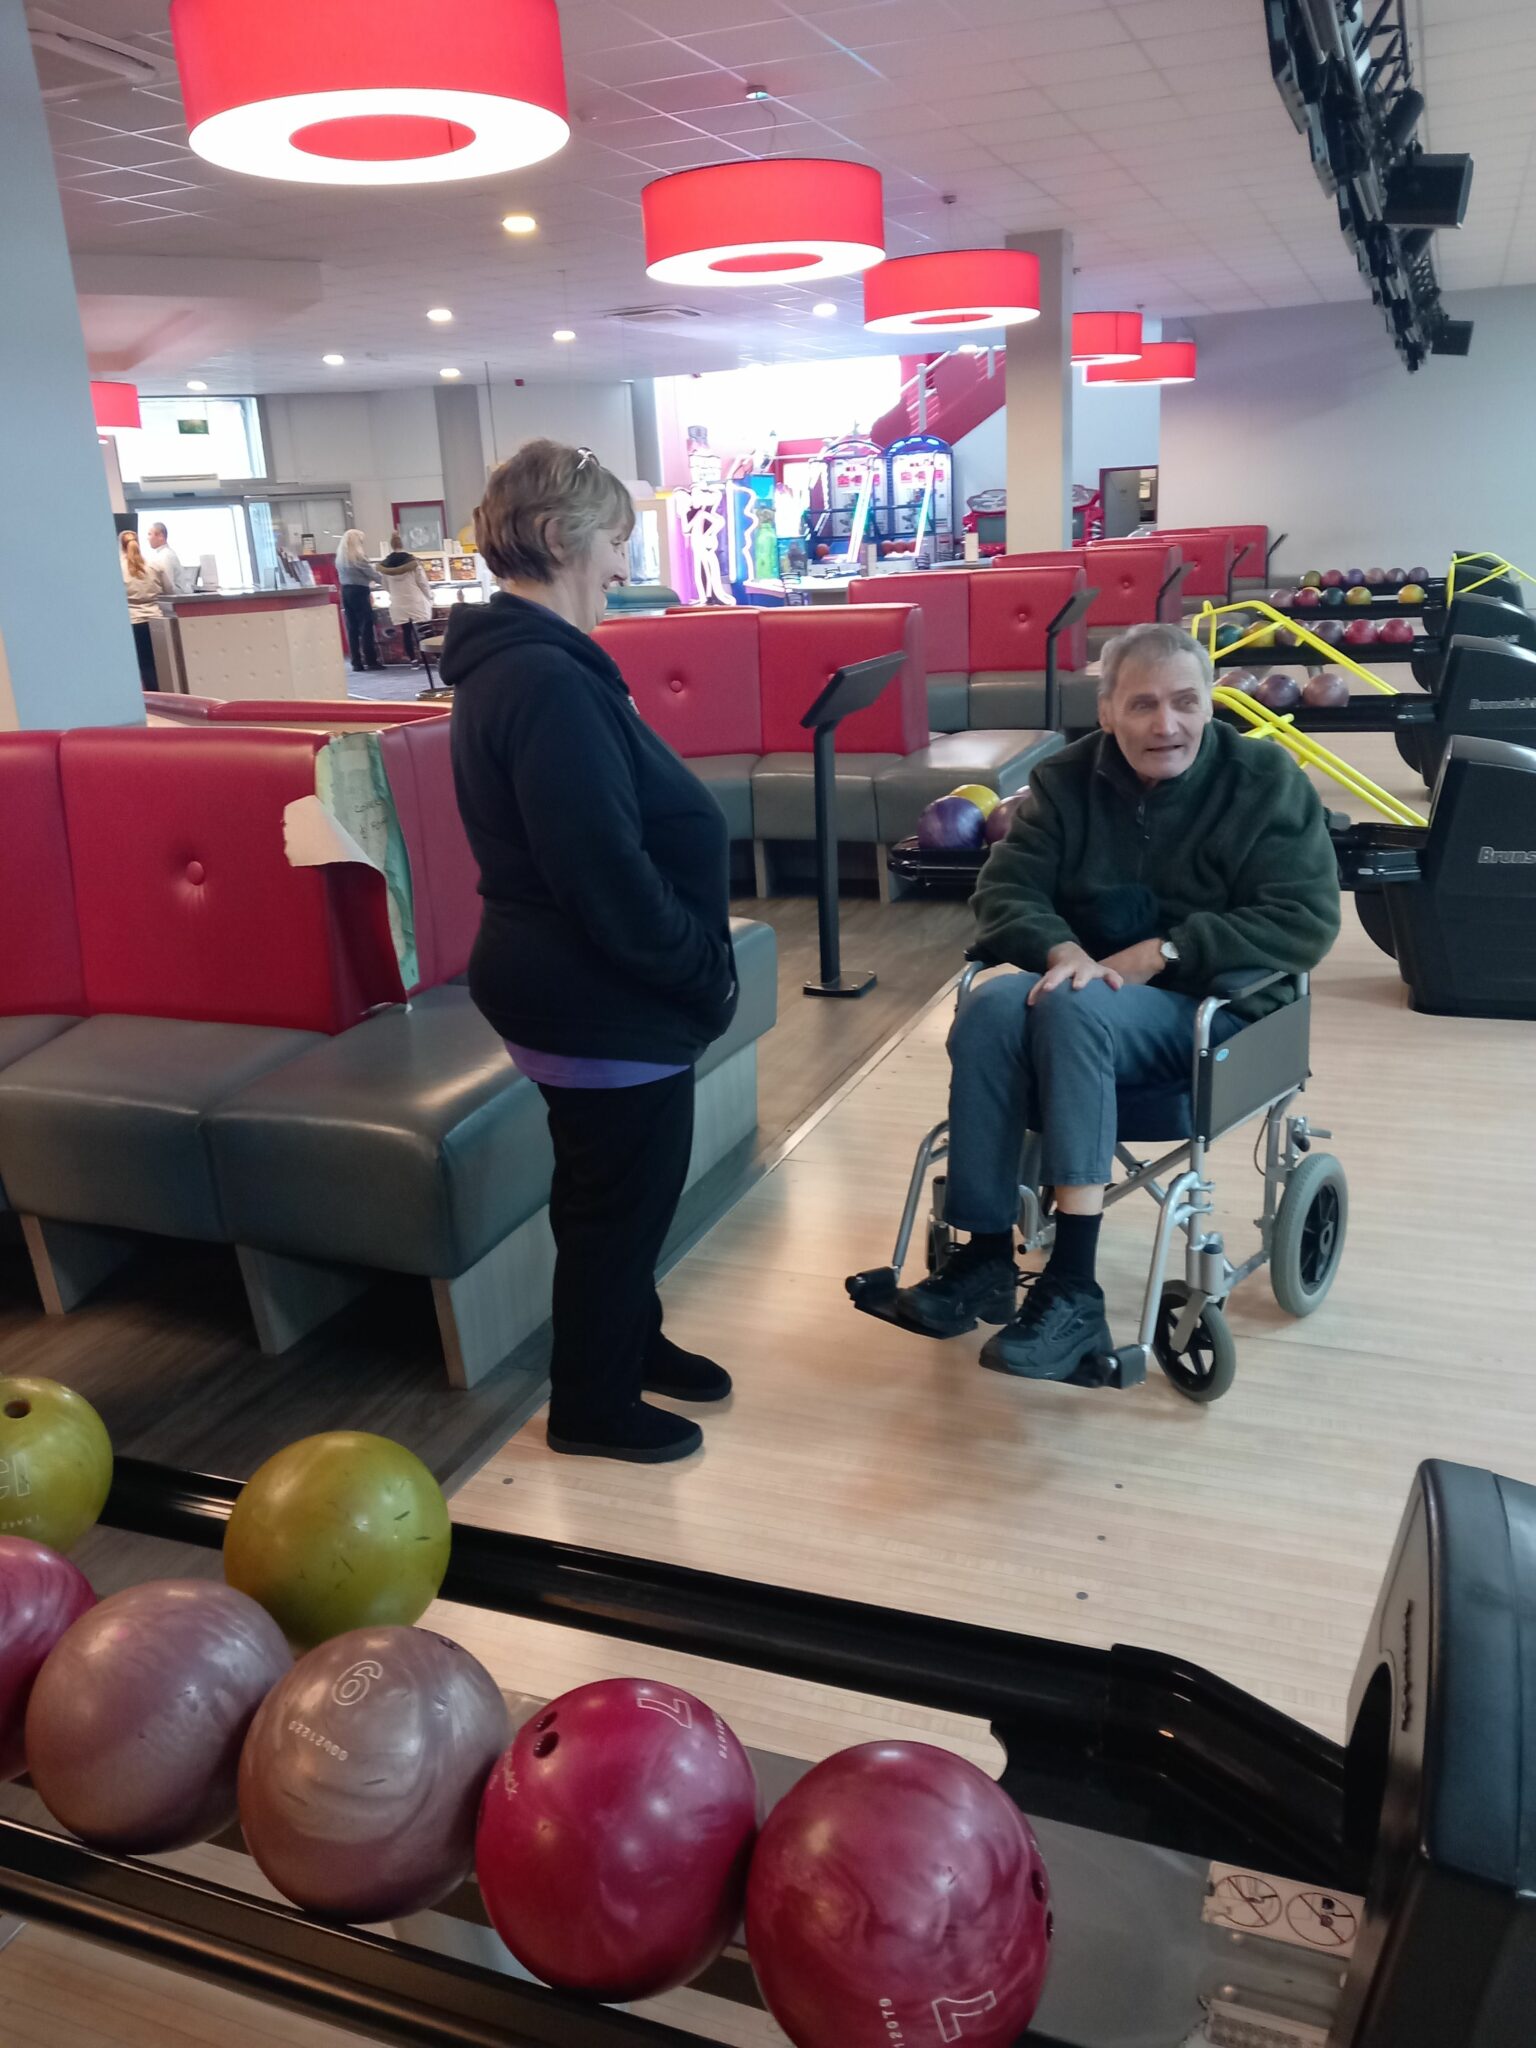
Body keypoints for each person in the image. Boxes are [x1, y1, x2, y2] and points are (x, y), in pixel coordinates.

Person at [895, 622, 1341, 1382]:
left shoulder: (1262, 780)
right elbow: (1004, 888)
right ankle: (985, 1256)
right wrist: (1059, 950)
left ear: (1210, 704)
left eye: (1185, 702)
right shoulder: (1065, 782)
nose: (1166, 724)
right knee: (993, 1005)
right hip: (1085, 996)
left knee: (1071, 1009)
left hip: (1211, 1011)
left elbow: (1306, 919)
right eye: (1142, 705)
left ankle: (1074, 1284)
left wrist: (1165, 952)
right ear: (1105, 711)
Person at [443, 441, 738, 1465]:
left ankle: (629, 1341)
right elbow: (601, 873)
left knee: (608, 1194)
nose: (625, 560)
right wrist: (703, 975)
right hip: (599, 992)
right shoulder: (542, 678)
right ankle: (593, 1404)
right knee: (621, 1203)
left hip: (575, 981)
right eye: (616, 537)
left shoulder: (531, 663)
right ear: (558, 536)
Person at [120, 528, 172, 689]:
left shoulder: (117, 569)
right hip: (156, 620)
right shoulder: (155, 565)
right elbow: (170, 590)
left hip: (133, 621)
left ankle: (152, 698)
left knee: (144, 666)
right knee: (161, 665)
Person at [377, 532, 435, 661]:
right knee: (425, 630)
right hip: (416, 601)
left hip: (398, 603)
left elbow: (385, 586)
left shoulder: (385, 566)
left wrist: (395, 594)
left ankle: (413, 660)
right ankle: (437, 657)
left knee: (407, 633)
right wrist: (429, 597)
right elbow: (423, 583)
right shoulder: (413, 563)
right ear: (403, 544)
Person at [335, 529, 383, 673]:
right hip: (360, 591)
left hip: (345, 591)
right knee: (366, 626)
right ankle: (371, 660)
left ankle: (356, 662)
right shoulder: (358, 558)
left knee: (352, 628)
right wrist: (388, 582)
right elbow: (373, 575)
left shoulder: (340, 559)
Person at [144, 521, 184, 593]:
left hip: (175, 597)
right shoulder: (161, 554)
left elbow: (169, 588)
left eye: (150, 534)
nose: (147, 538)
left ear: (161, 536)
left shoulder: (166, 556)